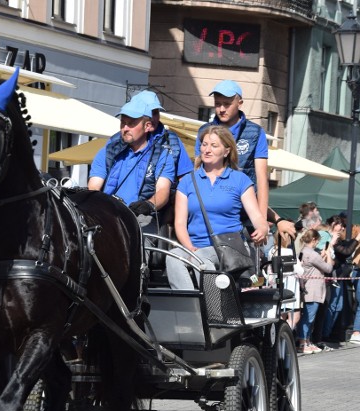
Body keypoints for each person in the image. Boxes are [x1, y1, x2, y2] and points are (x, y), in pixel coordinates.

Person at [166, 125, 267, 290]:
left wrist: (262, 228)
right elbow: (180, 223)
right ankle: (192, 307)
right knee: (172, 257)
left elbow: (256, 216)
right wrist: (189, 247)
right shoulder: (187, 181)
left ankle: (214, 310)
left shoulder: (239, 180)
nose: (206, 150)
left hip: (229, 246)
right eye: (204, 145)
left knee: (201, 260)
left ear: (226, 151)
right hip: (194, 245)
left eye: (214, 145)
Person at [196, 80, 295, 240]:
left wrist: (261, 221)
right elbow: (198, 171)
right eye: (217, 104)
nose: (221, 109)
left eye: (227, 104)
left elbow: (262, 179)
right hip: (212, 212)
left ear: (239, 103)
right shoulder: (204, 131)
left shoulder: (255, 133)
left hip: (246, 212)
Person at [88, 98, 176, 237]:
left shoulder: (163, 155)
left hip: (143, 219)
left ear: (147, 126)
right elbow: (93, 188)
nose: (125, 128)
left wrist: (148, 205)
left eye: (131, 123)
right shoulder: (107, 151)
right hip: (106, 215)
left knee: (138, 247)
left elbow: (163, 192)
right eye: (123, 122)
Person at [296, 229, 334, 354]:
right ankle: (303, 343)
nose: (318, 243)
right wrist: (328, 255)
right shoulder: (312, 254)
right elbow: (328, 268)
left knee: (307, 317)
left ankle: (306, 342)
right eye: (318, 240)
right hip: (313, 290)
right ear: (314, 240)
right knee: (308, 318)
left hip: (307, 288)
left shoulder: (303, 251)